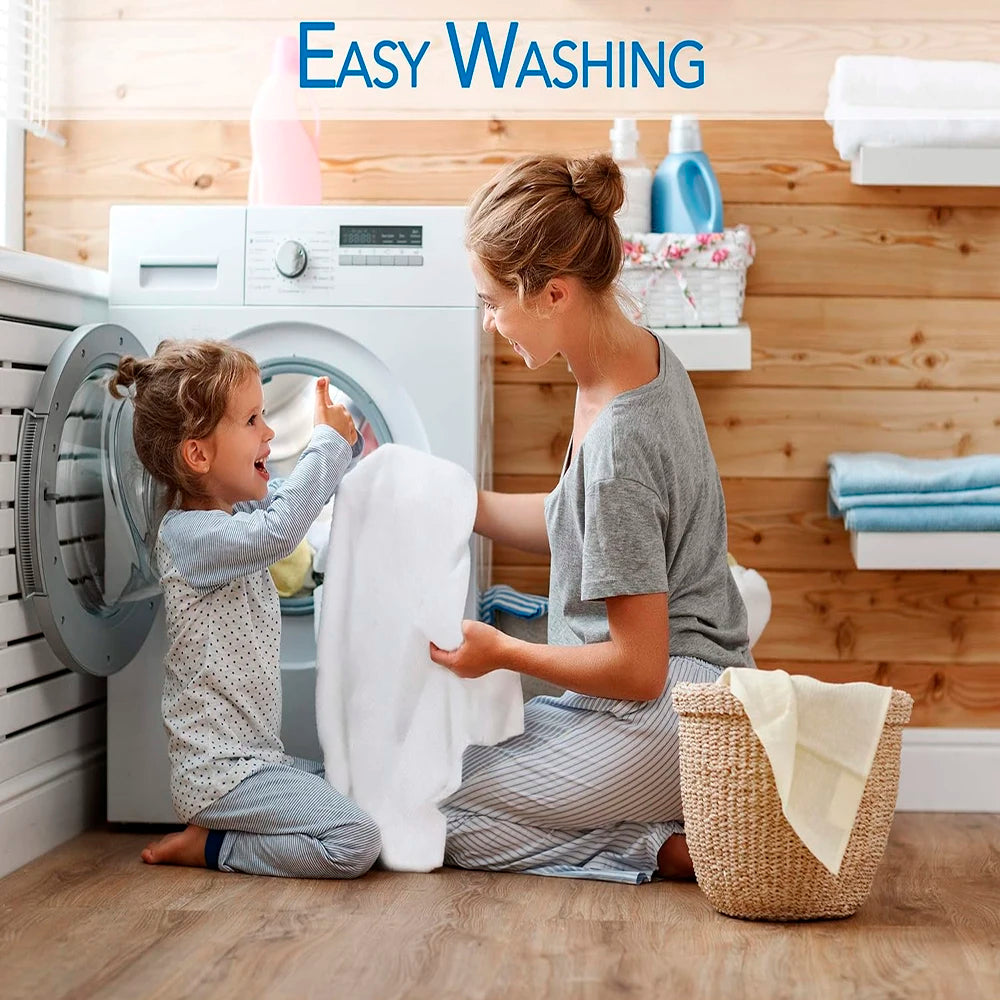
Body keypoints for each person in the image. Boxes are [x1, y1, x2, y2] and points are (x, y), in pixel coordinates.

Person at [430, 153, 754, 884]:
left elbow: (637, 671)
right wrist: (457, 503)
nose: (489, 324)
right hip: (683, 698)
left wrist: (502, 653)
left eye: (492, 301)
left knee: (420, 801)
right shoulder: (634, 359)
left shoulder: (619, 444)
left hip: (667, 716)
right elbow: (581, 523)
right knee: (440, 765)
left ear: (553, 293)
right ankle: (654, 828)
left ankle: (658, 846)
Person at [110, 339, 381, 878]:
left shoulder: (233, 514)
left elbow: (288, 504)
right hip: (219, 776)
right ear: (199, 454)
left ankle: (218, 834)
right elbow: (280, 529)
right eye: (253, 419)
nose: (269, 432)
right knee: (356, 839)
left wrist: (344, 444)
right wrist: (324, 446)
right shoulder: (191, 536)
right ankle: (212, 847)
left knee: (357, 783)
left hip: (257, 765)